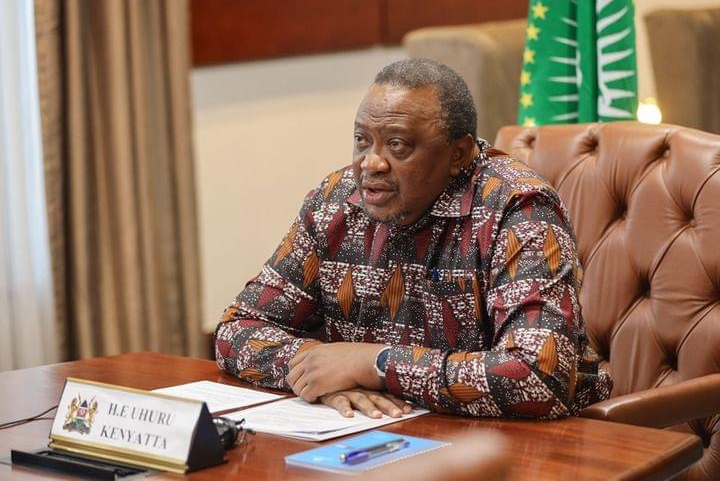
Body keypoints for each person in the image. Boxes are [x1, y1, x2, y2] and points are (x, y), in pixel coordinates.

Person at [215, 59, 612, 420]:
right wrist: (318, 371)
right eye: (362, 140)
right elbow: (237, 328)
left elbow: (537, 375)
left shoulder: (518, 207)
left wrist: (375, 364)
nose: (371, 162)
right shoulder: (335, 202)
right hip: (378, 434)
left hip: (532, 446)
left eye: (397, 145)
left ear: (458, 154)